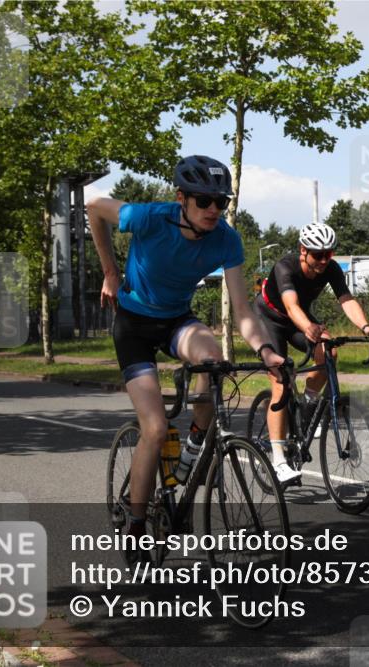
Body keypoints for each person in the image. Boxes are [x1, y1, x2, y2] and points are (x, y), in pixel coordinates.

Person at [87, 155, 286, 551]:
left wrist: (265, 350)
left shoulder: (227, 239)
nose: (213, 210)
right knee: (157, 429)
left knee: (212, 359)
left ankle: (194, 443)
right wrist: (110, 270)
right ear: (181, 197)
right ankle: (137, 523)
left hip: (177, 320)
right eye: (203, 201)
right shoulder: (147, 218)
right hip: (133, 324)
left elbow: (244, 311)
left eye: (221, 202)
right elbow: (93, 207)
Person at [254, 222, 369, 479]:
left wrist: (366, 326)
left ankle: (308, 403)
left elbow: (346, 299)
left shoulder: (331, 269)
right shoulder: (285, 267)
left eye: (329, 254)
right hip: (268, 318)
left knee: (329, 351)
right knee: (281, 382)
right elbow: (291, 307)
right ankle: (279, 460)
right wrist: (309, 328)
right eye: (318, 254)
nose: (324, 260)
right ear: (303, 250)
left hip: (297, 320)